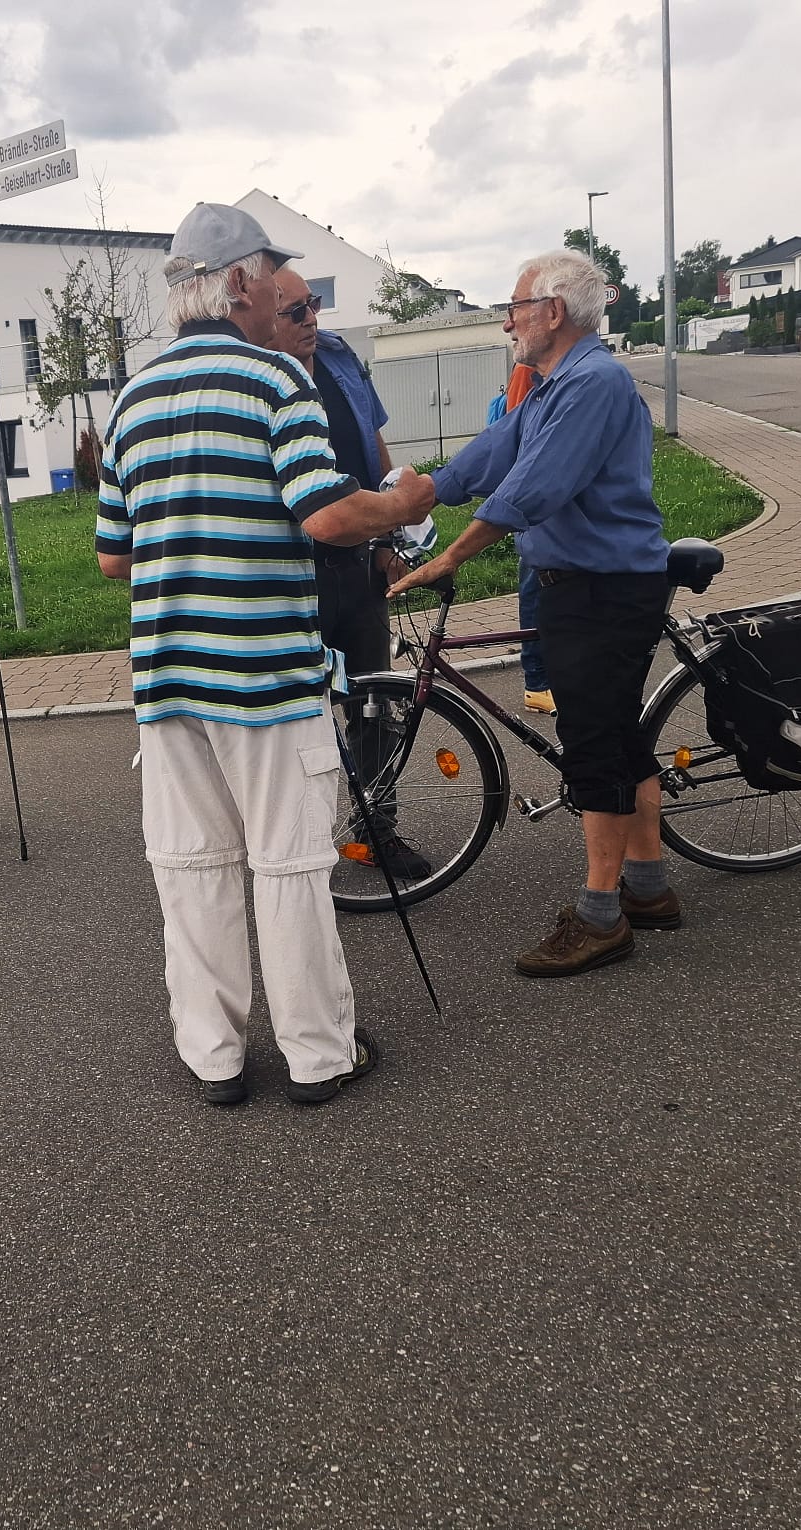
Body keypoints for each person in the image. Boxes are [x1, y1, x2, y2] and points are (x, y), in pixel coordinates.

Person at [96, 202, 436, 1107]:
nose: (283, 292)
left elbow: (112, 556)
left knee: (192, 868)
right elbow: (327, 515)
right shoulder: (276, 380)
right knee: (288, 866)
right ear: (239, 282)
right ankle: (318, 1056)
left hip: (168, 679)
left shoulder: (132, 398)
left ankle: (213, 1055)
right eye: (271, 273)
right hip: (268, 677)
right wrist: (403, 506)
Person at [390, 250, 680, 978]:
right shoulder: (556, 386)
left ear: (552, 312)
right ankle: (648, 889)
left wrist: (451, 556)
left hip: (603, 589)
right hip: (585, 585)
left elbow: (532, 488)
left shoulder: (594, 383)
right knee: (619, 736)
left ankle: (601, 916)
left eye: (515, 307)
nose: (508, 323)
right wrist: (420, 493)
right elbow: (497, 449)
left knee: (595, 747)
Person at [269, 264, 430, 881]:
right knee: (296, 714)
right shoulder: (257, 379)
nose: (311, 319)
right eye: (295, 312)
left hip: (358, 565)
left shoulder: (338, 358)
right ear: (263, 319)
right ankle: (298, 843)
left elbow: (374, 450)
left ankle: (377, 830)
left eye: (313, 304)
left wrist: (389, 536)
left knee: (372, 702)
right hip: (291, 576)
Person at [488, 363, 555, 715]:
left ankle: (546, 678)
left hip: (550, 501)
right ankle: (537, 682)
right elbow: (519, 436)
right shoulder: (529, 367)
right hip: (535, 501)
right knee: (534, 589)